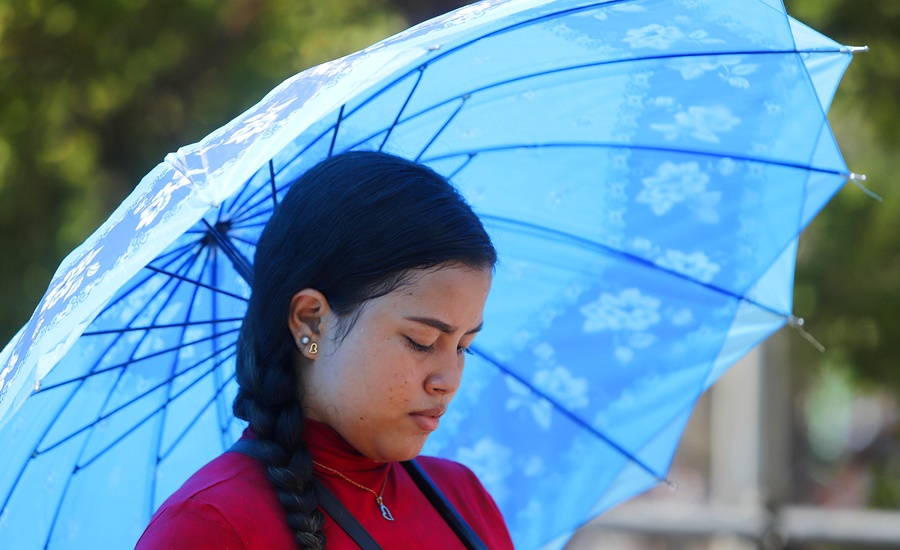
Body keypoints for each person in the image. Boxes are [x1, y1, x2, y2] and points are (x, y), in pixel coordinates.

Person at [136, 151, 514, 549]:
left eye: (464, 347)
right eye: (421, 341)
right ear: (311, 321)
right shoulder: (209, 527)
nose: (448, 381)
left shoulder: (462, 496)